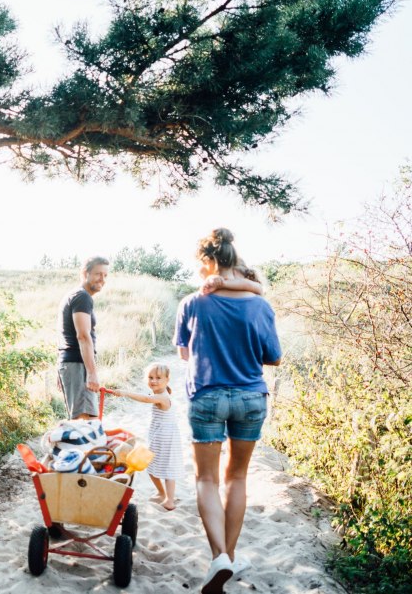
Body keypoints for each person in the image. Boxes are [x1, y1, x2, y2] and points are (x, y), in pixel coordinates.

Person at [175, 228, 281, 594]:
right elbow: (275, 357)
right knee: (237, 478)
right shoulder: (260, 305)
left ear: (208, 261)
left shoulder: (192, 303)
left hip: (207, 396)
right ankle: (228, 559)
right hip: (251, 397)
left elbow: (184, 353)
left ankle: (220, 556)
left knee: (207, 480)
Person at [107, 362, 184, 511]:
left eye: (158, 378)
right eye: (151, 377)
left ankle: (169, 500)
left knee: (166, 467)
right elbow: (147, 397)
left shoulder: (162, 397)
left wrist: (125, 392)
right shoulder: (157, 394)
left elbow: (145, 399)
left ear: (167, 380)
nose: (154, 381)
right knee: (150, 465)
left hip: (166, 437)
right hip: (158, 436)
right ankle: (161, 493)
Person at [57, 256, 109, 420]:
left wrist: (60, 370)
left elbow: (64, 335)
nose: (102, 279)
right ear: (84, 273)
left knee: (85, 423)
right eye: (98, 274)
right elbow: (83, 336)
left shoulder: (74, 296)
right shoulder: (82, 297)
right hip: (78, 366)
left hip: (72, 365)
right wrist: (92, 373)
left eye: (105, 275)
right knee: (85, 425)